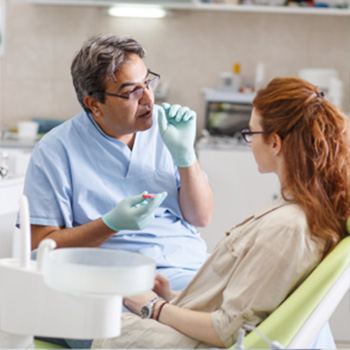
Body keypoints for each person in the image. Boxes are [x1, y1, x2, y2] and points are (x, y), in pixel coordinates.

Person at [91, 77, 350, 349]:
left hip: (200, 342)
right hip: (196, 325)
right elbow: (247, 301)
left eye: (251, 133)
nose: (248, 142)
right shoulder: (300, 213)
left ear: (275, 143)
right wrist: (174, 298)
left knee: (89, 323)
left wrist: (154, 307)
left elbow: (226, 329)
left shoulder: (288, 227)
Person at [21, 35, 213, 348]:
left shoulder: (166, 130)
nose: (148, 99)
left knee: (247, 318)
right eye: (131, 92)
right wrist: (110, 224)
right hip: (110, 283)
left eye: (148, 82)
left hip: (184, 273)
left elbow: (201, 217)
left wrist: (185, 157)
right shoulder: (56, 150)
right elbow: (40, 246)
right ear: (94, 104)